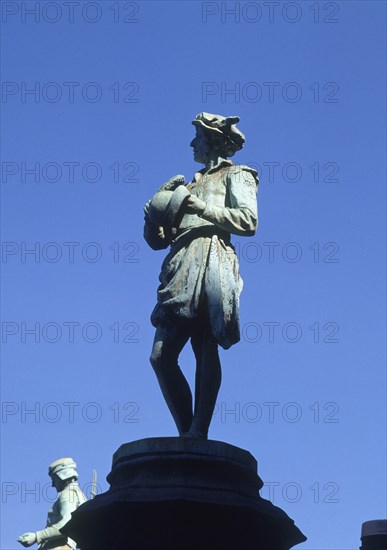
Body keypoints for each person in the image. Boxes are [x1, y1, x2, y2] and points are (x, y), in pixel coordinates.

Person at [144, 112, 258, 439]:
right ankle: (186, 435)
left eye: (197, 137)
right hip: (179, 261)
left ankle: (198, 432)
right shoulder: (188, 185)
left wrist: (197, 206)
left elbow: (248, 221)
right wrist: (151, 221)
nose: (192, 143)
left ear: (212, 141)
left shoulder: (238, 175)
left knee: (204, 343)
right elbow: (158, 241)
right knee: (161, 357)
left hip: (212, 254)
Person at [17, 458, 87, 550]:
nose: (53, 484)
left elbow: (65, 525)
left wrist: (36, 536)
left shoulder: (68, 494)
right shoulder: (78, 494)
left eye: (54, 479)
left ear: (61, 476)